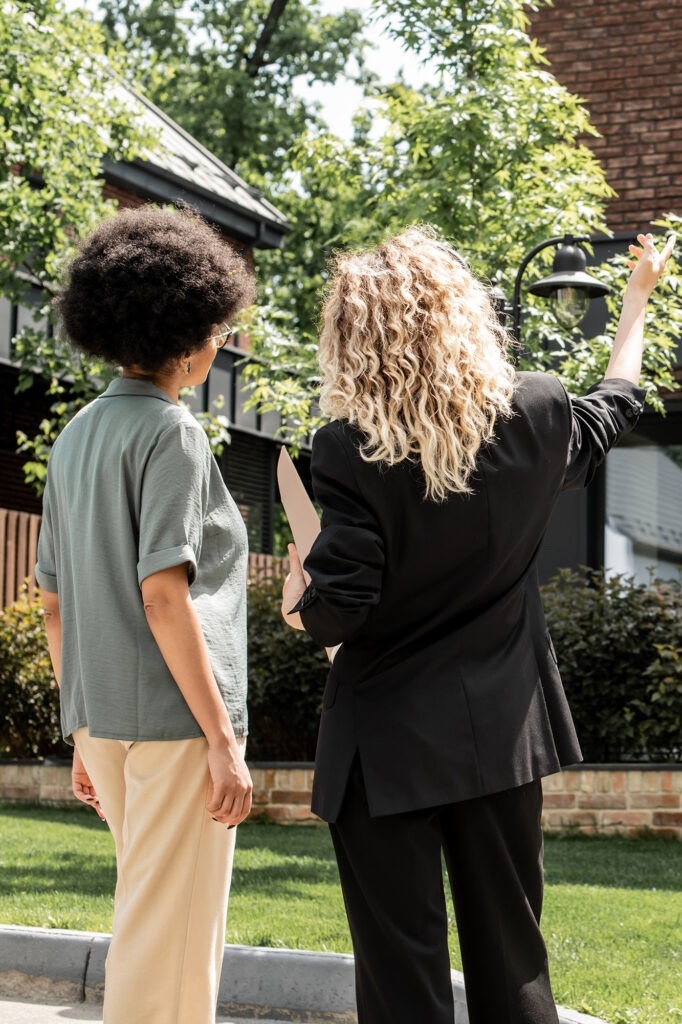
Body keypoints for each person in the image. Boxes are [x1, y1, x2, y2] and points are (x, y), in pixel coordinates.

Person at [281, 227, 675, 1024]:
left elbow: (339, 608)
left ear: (354, 337)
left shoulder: (348, 449)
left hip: (382, 750)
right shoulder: (536, 414)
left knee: (402, 981)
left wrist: (299, 593)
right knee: (514, 964)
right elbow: (617, 404)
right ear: (464, 316)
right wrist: (636, 300)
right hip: (502, 737)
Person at [36, 205, 255, 1024]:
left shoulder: (74, 437)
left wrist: (79, 728)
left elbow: (54, 606)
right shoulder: (173, 434)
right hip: (175, 728)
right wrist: (224, 741)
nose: (219, 345)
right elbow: (163, 596)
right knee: (168, 945)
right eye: (216, 330)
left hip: (107, 726)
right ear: (187, 338)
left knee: (150, 918)